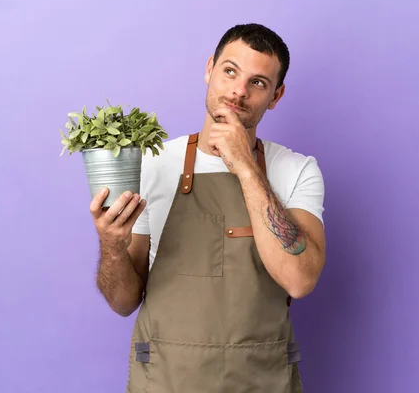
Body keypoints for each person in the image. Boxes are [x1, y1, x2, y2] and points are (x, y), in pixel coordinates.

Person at [89, 23, 326, 393]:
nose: (238, 91)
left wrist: (246, 167)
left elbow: (300, 280)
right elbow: (123, 302)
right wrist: (111, 245)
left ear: (276, 96)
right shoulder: (152, 163)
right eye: (230, 71)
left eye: (258, 83)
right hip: (166, 379)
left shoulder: (297, 170)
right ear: (209, 69)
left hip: (261, 380)